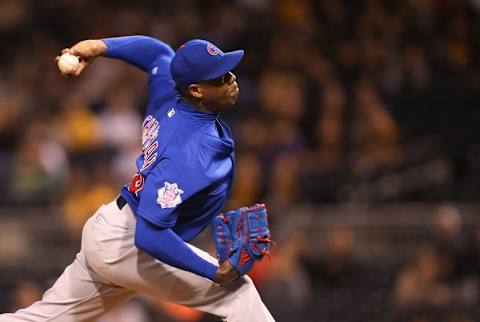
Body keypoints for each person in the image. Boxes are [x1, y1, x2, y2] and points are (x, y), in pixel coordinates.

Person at [0, 36, 275, 322]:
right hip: (128, 242)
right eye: (219, 78)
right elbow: (149, 235)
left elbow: (157, 54)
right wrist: (215, 273)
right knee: (238, 293)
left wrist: (99, 47)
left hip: (113, 230)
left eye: (228, 72)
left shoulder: (172, 93)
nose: (231, 79)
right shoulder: (188, 154)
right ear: (196, 90)